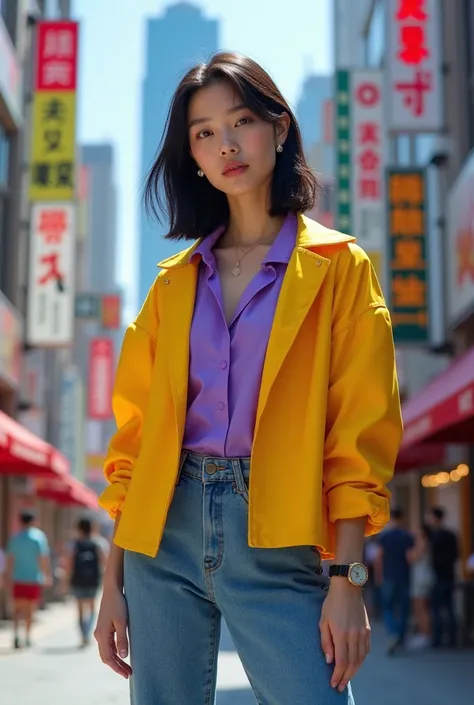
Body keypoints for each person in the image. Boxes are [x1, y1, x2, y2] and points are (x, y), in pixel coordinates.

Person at [94, 52, 402, 704]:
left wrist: (347, 579)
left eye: (241, 121)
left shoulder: (339, 269)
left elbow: (360, 433)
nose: (225, 144)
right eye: (203, 132)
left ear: (279, 128)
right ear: (194, 157)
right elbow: (134, 445)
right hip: (164, 538)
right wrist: (111, 583)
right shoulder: (171, 285)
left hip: (280, 537)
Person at [4, 511, 52, 649]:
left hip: (18, 578)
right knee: (31, 609)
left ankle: (16, 635)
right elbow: (43, 559)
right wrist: (46, 575)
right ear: (33, 521)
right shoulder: (38, 537)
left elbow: (10, 560)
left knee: (17, 608)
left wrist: (7, 576)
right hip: (33, 579)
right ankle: (28, 637)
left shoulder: (15, 538)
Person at [376, 508, 414, 655]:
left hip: (388, 576)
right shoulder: (407, 536)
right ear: (402, 518)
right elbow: (410, 557)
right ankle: (401, 637)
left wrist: (379, 575)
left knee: (388, 607)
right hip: (404, 576)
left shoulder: (384, 537)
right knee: (404, 608)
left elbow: (379, 558)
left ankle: (393, 632)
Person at [67, 518, 107, 648]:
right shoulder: (98, 543)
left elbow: (70, 564)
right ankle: (88, 632)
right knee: (91, 607)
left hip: (78, 580)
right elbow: (104, 562)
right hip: (92, 580)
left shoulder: (74, 544)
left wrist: (67, 580)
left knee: (79, 609)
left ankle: (82, 634)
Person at [426, 506, 459, 648]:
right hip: (449, 575)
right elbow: (456, 555)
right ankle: (452, 638)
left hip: (438, 576)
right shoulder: (451, 535)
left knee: (437, 609)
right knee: (450, 609)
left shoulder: (435, 536)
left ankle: (437, 639)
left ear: (435, 518)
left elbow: (434, 558)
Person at [407, 524, 434, 649]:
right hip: (418, 577)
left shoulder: (423, 542)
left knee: (422, 607)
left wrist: (411, 552)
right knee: (418, 607)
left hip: (422, 578)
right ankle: (422, 633)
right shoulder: (420, 542)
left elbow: (412, 556)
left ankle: (425, 635)